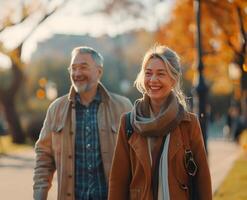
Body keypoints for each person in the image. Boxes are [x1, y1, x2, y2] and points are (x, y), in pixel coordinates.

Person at [108, 45, 212, 200]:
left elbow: (202, 181)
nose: (153, 80)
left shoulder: (189, 124)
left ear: (174, 79)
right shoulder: (128, 123)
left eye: (161, 74)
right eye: (148, 73)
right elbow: (118, 182)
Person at [33, 46, 132, 200]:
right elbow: (44, 158)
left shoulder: (123, 107)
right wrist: (40, 196)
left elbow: (138, 159)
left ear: (99, 71)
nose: (77, 73)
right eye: (73, 68)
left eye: (83, 67)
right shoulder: (56, 109)